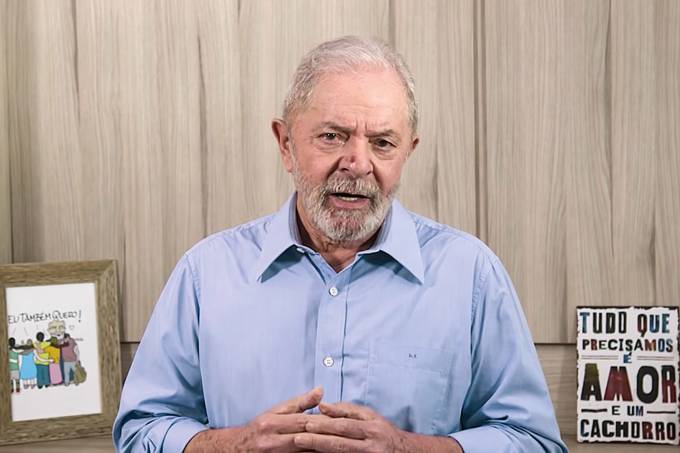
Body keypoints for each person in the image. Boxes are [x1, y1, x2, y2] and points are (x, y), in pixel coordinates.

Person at [114, 36, 567, 452]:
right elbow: (140, 430)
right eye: (332, 136)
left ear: (408, 151)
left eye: (382, 143)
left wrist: (409, 449)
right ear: (286, 144)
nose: (358, 163)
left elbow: (534, 442)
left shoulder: (471, 275)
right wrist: (236, 445)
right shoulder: (206, 273)